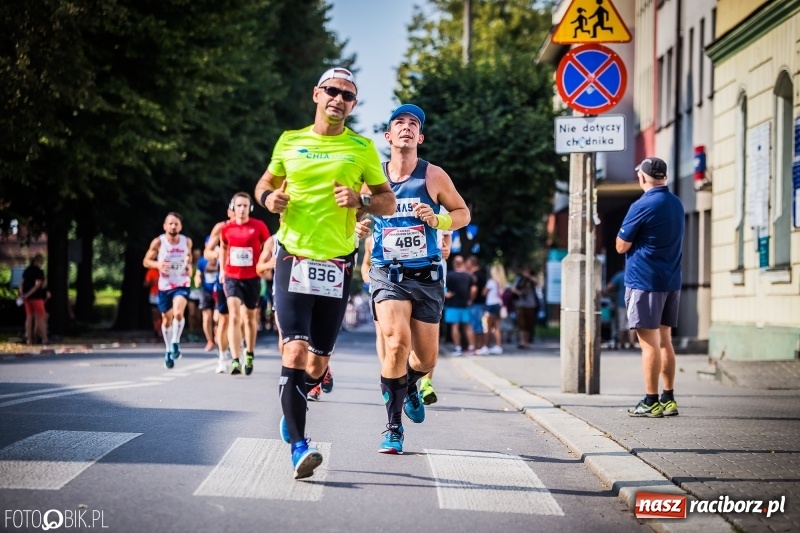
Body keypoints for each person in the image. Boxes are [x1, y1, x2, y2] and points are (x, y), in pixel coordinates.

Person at [254, 66, 396, 479]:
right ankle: (300, 444)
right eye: (331, 90)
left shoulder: (362, 148)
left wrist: (360, 198)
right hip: (292, 257)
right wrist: (269, 199)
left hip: (336, 264)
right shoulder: (290, 141)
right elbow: (265, 183)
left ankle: (297, 399)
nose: (338, 98)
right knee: (293, 351)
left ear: (353, 105)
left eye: (347, 95)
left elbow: (387, 201)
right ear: (317, 94)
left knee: (316, 364)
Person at [359, 103, 469, 454]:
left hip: (426, 275)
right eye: (399, 123)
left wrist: (438, 221)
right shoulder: (372, 179)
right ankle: (393, 428)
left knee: (425, 360)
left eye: (413, 124)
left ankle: (406, 387)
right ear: (388, 136)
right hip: (387, 273)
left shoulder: (433, 176)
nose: (406, 128)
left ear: (420, 136)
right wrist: (358, 227)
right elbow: (352, 218)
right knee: (395, 344)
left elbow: (462, 212)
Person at [617, 157, 685, 418]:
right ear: (664, 177)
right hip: (671, 281)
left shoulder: (642, 205)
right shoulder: (676, 203)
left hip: (644, 282)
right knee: (665, 339)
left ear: (643, 178)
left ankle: (650, 400)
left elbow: (621, 245)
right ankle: (668, 398)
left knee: (649, 344)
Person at [219, 192, 271, 376]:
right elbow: (224, 247)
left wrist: (264, 262)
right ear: (233, 207)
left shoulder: (258, 226)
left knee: (249, 318)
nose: (242, 209)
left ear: (250, 208)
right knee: (234, 316)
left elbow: (269, 243)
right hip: (232, 276)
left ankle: (249, 353)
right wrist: (222, 271)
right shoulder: (226, 228)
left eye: (245, 206)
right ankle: (234, 359)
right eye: (239, 205)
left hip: (252, 277)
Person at [142, 212, 193, 368]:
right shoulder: (159, 242)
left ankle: (176, 342)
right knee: (166, 319)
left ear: (181, 226)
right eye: (170, 223)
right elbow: (146, 261)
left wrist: (189, 266)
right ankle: (168, 349)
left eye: (176, 223)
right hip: (164, 285)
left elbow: (189, 257)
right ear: (164, 226)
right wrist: (158, 265)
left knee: (178, 313)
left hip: (181, 283)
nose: (173, 226)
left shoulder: (186, 241)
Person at [444, 255, 474, 355]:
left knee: (455, 326)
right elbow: (473, 289)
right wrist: (470, 299)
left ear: (454, 263)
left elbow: (443, 287)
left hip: (453, 304)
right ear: (462, 263)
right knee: (467, 326)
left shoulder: (450, 275)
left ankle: (457, 348)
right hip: (465, 304)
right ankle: (471, 347)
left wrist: (446, 294)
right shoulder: (468, 276)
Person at [194, 237, 218, 352]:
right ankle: (210, 340)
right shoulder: (202, 261)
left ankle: (218, 332)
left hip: (219, 290)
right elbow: (198, 274)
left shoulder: (221, 257)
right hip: (206, 291)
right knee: (207, 317)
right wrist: (197, 279)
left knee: (217, 317)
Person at [19, 253, 48, 345]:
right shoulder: (39, 271)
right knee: (41, 318)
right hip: (36, 298)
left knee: (29, 317)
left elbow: (21, 283)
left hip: (26, 299)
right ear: (40, 261)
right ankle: (44, 339)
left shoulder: (27, 270)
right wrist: (28, 294)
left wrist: (22, 294)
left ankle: (29, 339)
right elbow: (37, 285)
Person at [604, 268, 637, 349]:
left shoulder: (620, 275)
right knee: (631, 324)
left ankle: (621, 343)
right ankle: (632, 343)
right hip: (634, 303)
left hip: (621, 303)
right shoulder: (636, 274)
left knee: (621, 324)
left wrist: (605, 293)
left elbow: (609, 286)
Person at [512, 266, 540, 349]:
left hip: (531, 305)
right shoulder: (519, 279)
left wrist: (530, 277)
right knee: (521, 324)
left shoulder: (532, 279)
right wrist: (519, 292)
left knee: (529, 324)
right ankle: (522, 341)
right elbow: (513, 288)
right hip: (521, 304)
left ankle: (527, 342)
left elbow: (537, 282)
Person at [466, 255, 488, 355]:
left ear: (471, 263)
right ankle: (479, 346)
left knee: (475, 325)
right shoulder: (482, 274)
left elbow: (474, 290)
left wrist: (470, 300)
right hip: (481, 302)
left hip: (476, 303)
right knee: (479, 324)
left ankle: (476, 347)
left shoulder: (474, 275)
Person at [484, 263, 507, 354]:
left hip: (491, 305)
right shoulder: (501, 282)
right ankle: (498, 346)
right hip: (498, 305)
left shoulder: (491, 282)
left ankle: (486, 346)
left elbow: (484, 292)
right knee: (497, 326)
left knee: (488, 327)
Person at [144, 267, 162, 339]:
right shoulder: (151, 271)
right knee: (155, 314)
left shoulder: (166, 270)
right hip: (154, 295)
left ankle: (162, 330)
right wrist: (152, 282)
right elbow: (145, 283)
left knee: (163, 314)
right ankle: (156, 331)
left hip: (163, 294)